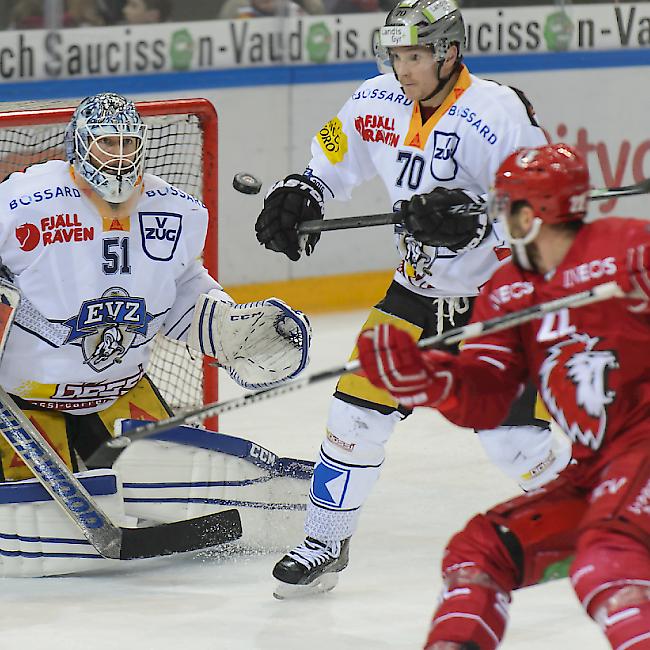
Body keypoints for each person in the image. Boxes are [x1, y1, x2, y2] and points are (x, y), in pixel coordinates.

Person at [255, 0, 563, 599]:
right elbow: (330, 162)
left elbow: (540, 212)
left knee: (512, 441)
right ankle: (325, 538)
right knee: (353, 417)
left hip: (494, 302)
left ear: (449, 53)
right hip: (414, 294)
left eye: (416, 56)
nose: (404, 68)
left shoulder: (497, 111)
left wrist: (476, 223)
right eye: (396, 55)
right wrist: (299, 193)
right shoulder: (375, 101)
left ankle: (599, 519)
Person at [0, 92, 312, 574]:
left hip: (121, 392)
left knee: (183, 494)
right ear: (80, 146)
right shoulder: (22, 201)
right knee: (40, 524)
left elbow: (182, 290)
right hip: (24, 403)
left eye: (129, 143)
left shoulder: (176, 211)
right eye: (108, 144)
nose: (121, 157)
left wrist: (226, 329)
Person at [356, 142, 650, 649]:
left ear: (534, 213)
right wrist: (425, 378)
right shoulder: (508, 288)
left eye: (506, 204)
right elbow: (488, 393)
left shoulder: (628, 247)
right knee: (479, 551)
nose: (498, 217)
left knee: (609, 558)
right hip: (598, 467)